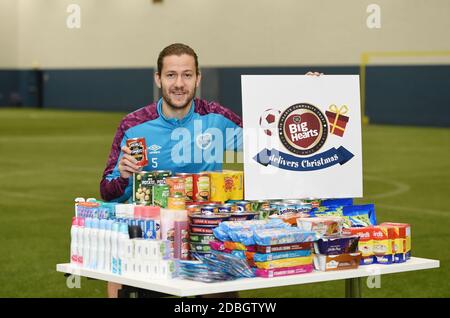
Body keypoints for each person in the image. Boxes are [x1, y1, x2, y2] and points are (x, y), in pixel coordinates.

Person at [100, 43, 243, 298]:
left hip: (208, 245)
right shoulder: (134, 125)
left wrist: (310, 95)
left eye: (187, 75)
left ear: (198, 79)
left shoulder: (216, 118)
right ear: (158, 79)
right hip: (154, 249)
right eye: (171, 75)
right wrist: (123, 177)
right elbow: (108, 193)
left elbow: (270, 139)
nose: (179, 83)